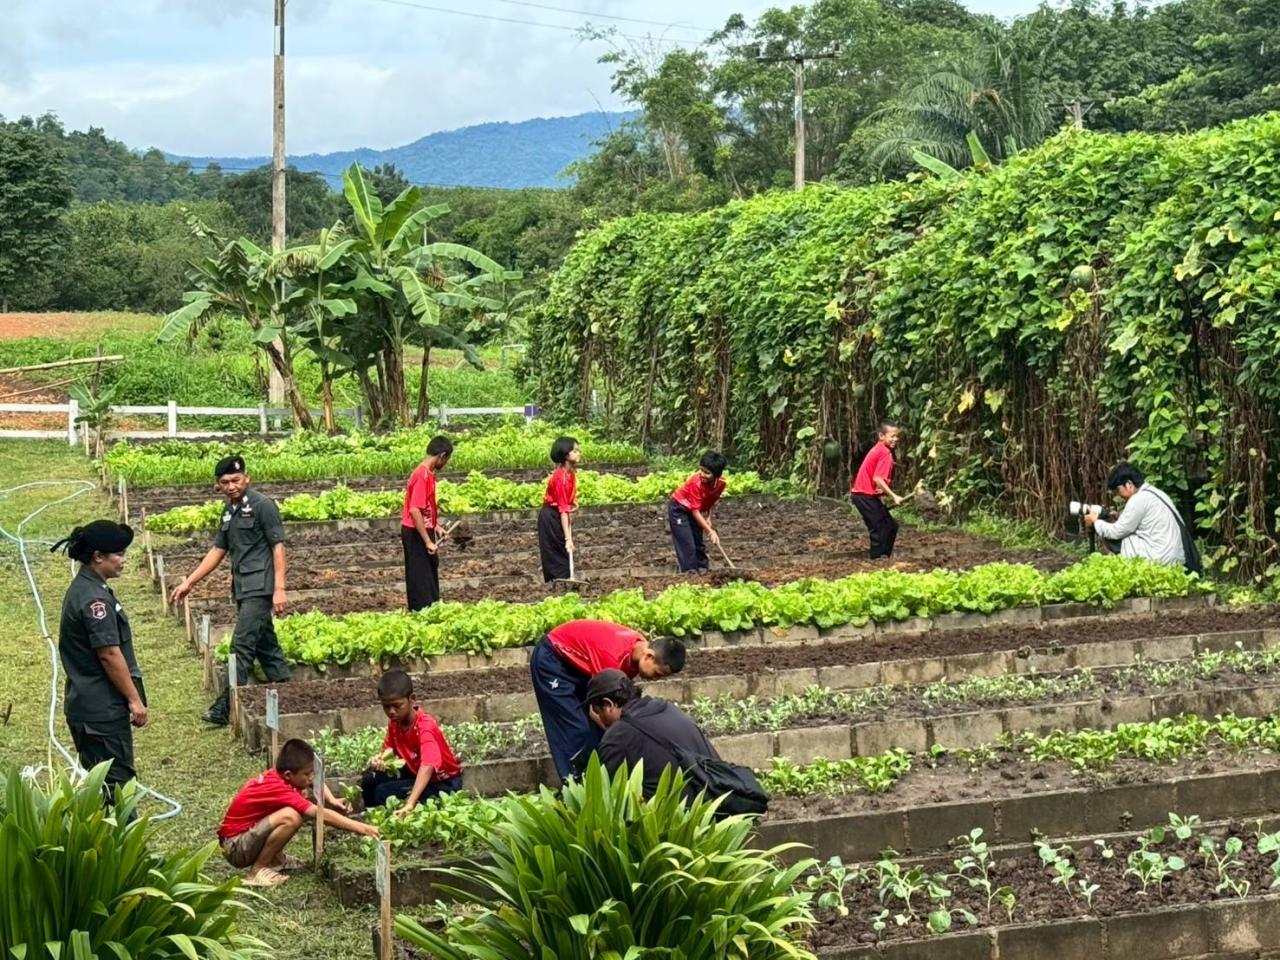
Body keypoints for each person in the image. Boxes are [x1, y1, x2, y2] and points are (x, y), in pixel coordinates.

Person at [169, 455, 291, 726]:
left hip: (261, 587)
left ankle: (225, 706)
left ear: (247, 478)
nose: (232, 486)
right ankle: (285, 686)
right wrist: (190, 582)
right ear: (218, 485)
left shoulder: (263, 506)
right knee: (264, 642)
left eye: (236, 480)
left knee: (241, 645)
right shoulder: (228, 511)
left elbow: (278, 547)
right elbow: (218, 550)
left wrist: (279, 588)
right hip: (243, 587)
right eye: (225, 482)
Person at [50, 520, 147, 801]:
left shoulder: (87, 587)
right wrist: (134, 699)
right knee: (117, 789)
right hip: (100, 713)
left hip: (89, 707)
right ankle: (126, 845)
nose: (124, 560)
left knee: (104, 788)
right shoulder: (94, 600)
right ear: (98, 557)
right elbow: (109, 654)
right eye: (119, 554)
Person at [530, 619, 686, 780]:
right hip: (553, 659)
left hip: (579, 664)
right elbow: (599, 710)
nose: (655, 679)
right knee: (576, 727)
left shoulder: (638, 649)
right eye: (657, 674)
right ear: (649, 656)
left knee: (602, 729)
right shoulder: (611, 659)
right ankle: (576, 785)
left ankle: (601, 777)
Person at [218, 738, 378, 888]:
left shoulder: (279, 777)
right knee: (291, 817)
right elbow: (317, 813)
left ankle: (276, 860)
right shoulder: (278, 787)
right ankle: (256, 871)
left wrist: (331, 800)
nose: (312, 777)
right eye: (307, 774)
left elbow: (314, 782)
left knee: (298, 805)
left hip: (243, 838)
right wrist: (365, 829)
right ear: (289, 774)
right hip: (235, 847)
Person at [588, 670, 720, 800]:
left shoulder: (618, 736)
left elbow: (606, 796)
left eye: (598, 711)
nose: (599, 718)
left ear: (608, 704)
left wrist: (611, 732)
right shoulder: (667, 708)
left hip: (677, 817)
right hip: (715, 799)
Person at [360, 669, 463, 812]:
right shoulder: (395, 723)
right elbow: (388, 751)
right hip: (414, 771)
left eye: (397, 706)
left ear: (412, 699)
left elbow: (428, 765)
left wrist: (410, 803)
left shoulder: (424, 725)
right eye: (386, 707)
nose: (391, 712)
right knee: (369, 779)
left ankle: (391, 823)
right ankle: (374, 821)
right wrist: (379, 760)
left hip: (443, 782)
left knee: (383, 793)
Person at [1085, 462, 1188, 567]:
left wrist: (1096, 521)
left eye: (1118, 490)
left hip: (1160, 560)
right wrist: (1119, 517)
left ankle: (1128, 569)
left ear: (1129, 484)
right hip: (1175, 558)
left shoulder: (1137, 499)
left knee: (1114, 534)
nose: (1118, 495)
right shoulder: (1155, 492)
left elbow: (1116, 532)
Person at [401, 436, 454, 611]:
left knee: (429, 575)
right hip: (415, 532)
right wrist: (427, 541)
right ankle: (421, 613)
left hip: (422, 529)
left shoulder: (429, 474)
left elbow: (425, 508)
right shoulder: (421, 475)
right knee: (420, 578)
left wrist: (436, 527)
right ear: (442, 456)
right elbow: (415, 510)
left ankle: (430, 610)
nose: (445, 464)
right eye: (446, 460)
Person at [850, 422, 904, 560]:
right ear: (881, 436)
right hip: (863, 495)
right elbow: (878, 479)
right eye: (892, 436)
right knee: (879, 529)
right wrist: (894, 496)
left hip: (864, 495)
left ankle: (884, 557)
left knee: (891, 526)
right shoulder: (884, 452)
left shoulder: (879, 449)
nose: (895, 439)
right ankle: (877, 560)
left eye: (897, 436)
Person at [669, 451, 727, 573]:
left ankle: (703, 570)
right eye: (701, 470)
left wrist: (709, 518)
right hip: (680, 509)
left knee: (698, 543)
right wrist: (710, 531)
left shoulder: (721, 483)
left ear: (716, 475)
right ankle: (690, 573)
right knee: (687, 543)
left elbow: (712, 499)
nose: (702, 474)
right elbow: (695, 512)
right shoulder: (696, 483)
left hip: (696, 510)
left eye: (707, 473)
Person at [538, 436, 580, 582]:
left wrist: (573, 503)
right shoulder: (559, 477)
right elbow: (563, 510)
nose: (578, 453)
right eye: (574, 451)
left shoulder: (571, 474)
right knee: (556, 548)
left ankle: (564, 578)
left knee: (562, 549)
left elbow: (567, 502)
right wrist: (569, 538)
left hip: (559, 513)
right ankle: (557, 581)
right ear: (566, 455)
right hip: (551, 516)